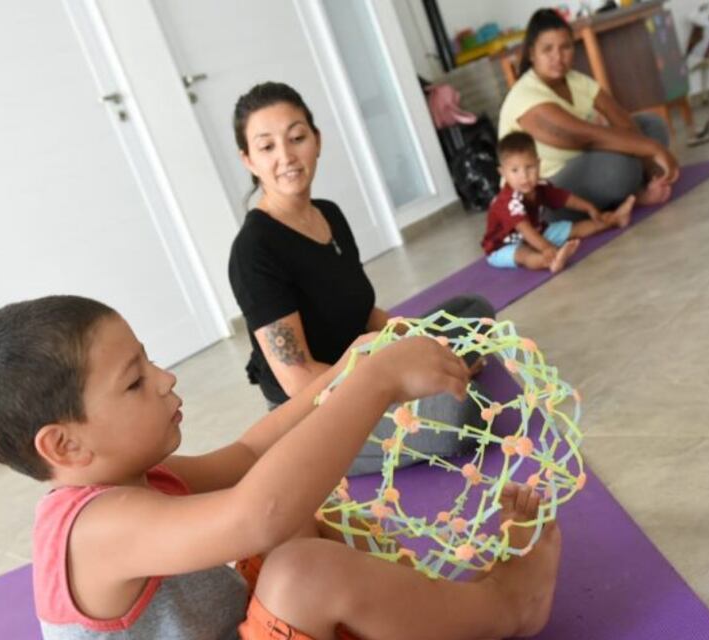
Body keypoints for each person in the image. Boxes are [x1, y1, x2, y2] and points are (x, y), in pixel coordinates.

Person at [0, 295, 562, 640]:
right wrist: (373, 385)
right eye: (135, 381)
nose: (166, 379)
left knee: (295, 522)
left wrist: (343, 372)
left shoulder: (125, 482)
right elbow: (257, 513)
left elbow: (246, 458)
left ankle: (424, 614)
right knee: (299, 567)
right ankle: (507, 608)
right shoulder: (94, 530)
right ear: (65, 446)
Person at [227, 81, 492, 474]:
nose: (286, 156)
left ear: (317, 141)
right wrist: (401, 380)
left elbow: (364, 314)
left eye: (297, 137)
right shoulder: (254, 251)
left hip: (364, 363)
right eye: (267, 147)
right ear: (249, 160)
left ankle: (439, 374)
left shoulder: (329, 214)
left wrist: (426, 343)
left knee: (474, 313)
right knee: (462, 412)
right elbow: (298, 381)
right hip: (316, 411)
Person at [499, 8, 680, 223]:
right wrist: (653, 150)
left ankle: (628, 190)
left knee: (651, 125)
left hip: (583, 165)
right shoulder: (525, 95)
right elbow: (587, 137)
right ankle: (631, 193)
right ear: (531, 54)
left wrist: (650, 166)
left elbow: (621, 119)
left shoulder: (577, 80)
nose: (558, 57)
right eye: (547, 49)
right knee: (621, 166)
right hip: (540, 194)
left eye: (565, 47)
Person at [482, 131, 634, 271]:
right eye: (515, 171)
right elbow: (525, 230)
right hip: (502, 246)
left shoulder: (540, 186)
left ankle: (615, 219)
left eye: (529, 167)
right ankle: (550, 262)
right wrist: (547, 247)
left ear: (538, 164)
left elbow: (566, 199)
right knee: (524, 254)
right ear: (503, 173)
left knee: (574, 228)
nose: (524, 176)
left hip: (537, 231)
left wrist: (589, 207)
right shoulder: (508, 201)